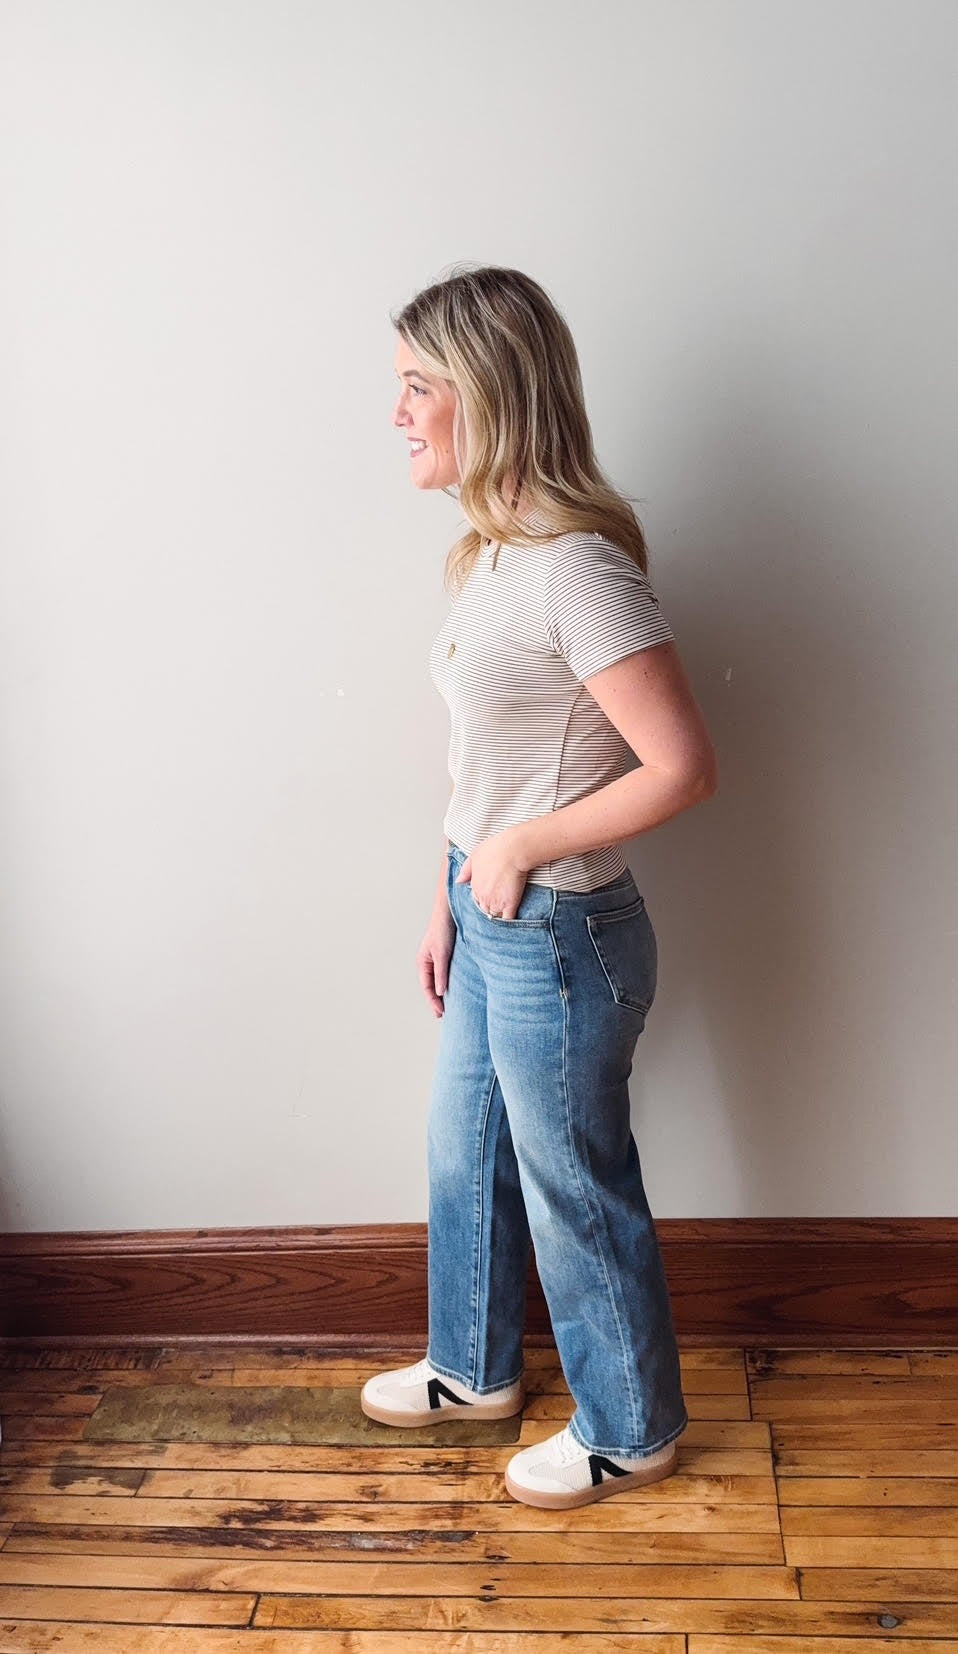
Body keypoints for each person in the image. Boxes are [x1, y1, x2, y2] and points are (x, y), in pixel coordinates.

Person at [360, 264, 718, 1510]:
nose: (396, 413)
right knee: (464, 1152)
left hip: (564, 929)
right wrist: (449, 884)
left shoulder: (575, 568)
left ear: (488, 393)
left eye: (417, 387)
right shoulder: (482, 558)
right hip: (489, 905)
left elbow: (682, 768)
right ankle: (473, 1368)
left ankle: (632, 1425)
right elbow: (484, 766)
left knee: (572, 1178)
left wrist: (514, 854)